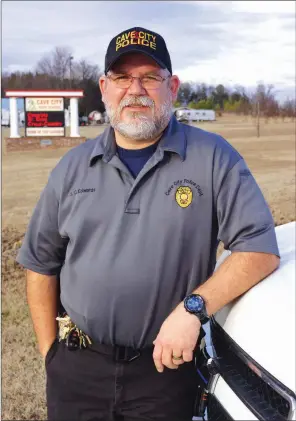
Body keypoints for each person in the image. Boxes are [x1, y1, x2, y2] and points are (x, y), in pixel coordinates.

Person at [17, 26, 280, 421]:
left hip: (165, 368)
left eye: (150, 77)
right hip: (77, 370)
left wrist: (192, 311)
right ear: (104, 87)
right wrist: (51, 355)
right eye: (122, 77)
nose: (135, 89)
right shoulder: (72, 168)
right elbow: (40, 264)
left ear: (172, 86)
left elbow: (258, 248)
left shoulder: (211, 158)